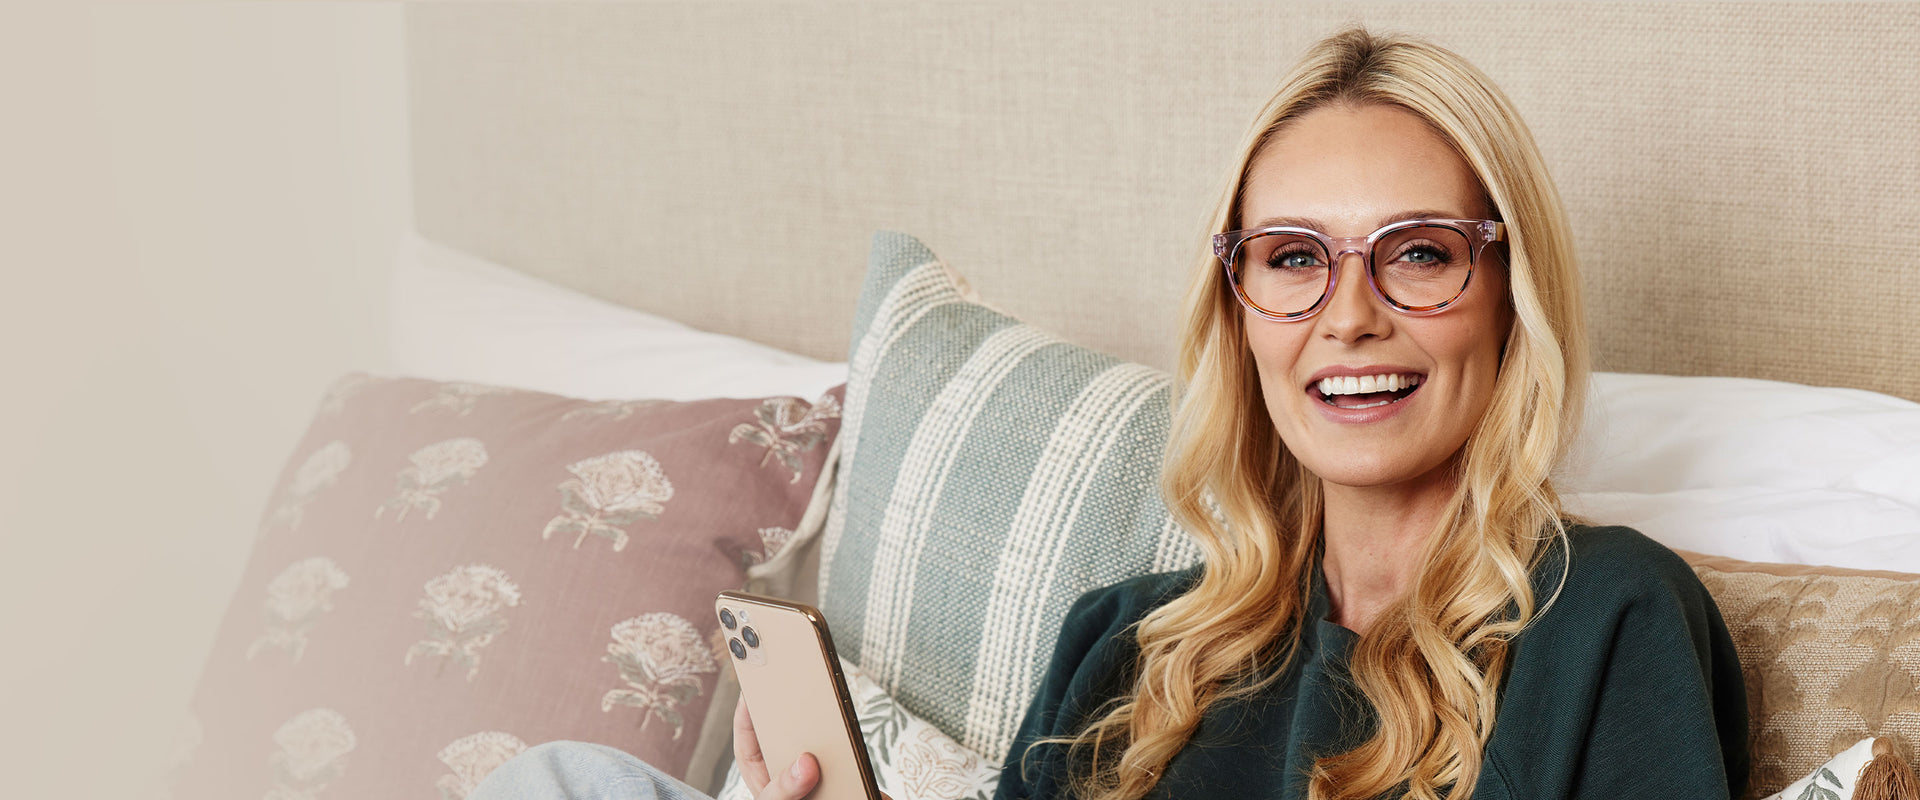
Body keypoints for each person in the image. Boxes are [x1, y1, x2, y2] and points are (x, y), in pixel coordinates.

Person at [471, 26, 1749, 800]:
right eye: (1292, 257)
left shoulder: (1608, 616)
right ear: (1239, 306)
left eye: (1417, 252)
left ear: (1508, 298)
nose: (1348, 314)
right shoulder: (1129, 643)